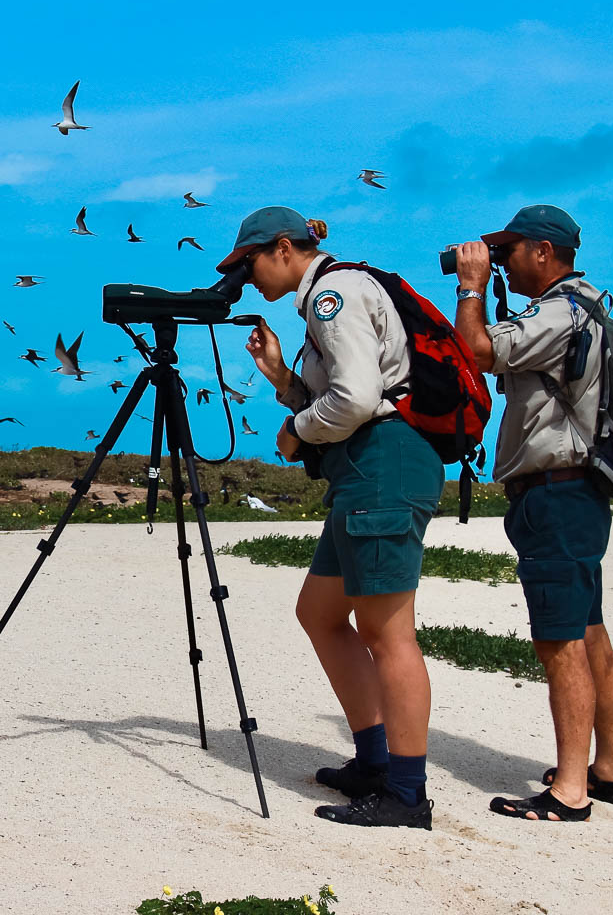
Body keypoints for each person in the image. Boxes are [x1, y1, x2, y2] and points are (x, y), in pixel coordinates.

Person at [228, 206, 443, 829]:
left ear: (285, 247)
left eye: (249, 262)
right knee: (319, 613)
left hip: (385, 463)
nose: (245, 278)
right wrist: (281, 379)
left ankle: (406, 794)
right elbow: (346, 393)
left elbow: (356, 399)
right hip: (364, 466)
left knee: (387, 632)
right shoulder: (326, 297)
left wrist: (296, 431)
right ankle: (374, 762)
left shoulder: (333, 296)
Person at [452, 205, 613, 823]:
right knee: (589, 630)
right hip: (577, 492)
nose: (499, 258)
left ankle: (571, 792)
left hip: (556, 493)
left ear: (543, 252)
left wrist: (471, 285)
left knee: (559, 641)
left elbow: (477, 348)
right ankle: (609, 771)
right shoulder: (588, 309)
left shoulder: (559, 311)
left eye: (508, 249)